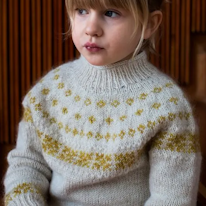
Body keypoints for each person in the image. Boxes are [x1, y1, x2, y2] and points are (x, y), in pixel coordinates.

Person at [4, 0, 202, 205]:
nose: (91, 29)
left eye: (110, 13)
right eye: (81, 11)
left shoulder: (167, 106)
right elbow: (27, 164)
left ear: (150, 24)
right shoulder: (48, 92)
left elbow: (171, 198)